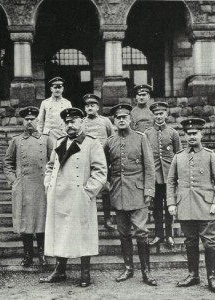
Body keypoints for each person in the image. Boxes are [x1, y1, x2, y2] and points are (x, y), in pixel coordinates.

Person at [39, 107, 107, 287]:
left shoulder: (91, 143)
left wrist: (87, 192)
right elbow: (50, 166)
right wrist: (48, 184)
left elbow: (100, 172)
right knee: (61, 232)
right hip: (59, 196)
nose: (70, 125)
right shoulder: (59, 142)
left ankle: (85, 274)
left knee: (83, 234)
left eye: (73, 121)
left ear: (82, 122)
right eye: (67, 122)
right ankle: (59, 271)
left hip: (79, 197)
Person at [167, 118, 215, 293]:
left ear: (201, 134)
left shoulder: (209, 155)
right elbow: (170, 182)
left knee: (209, 244)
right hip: (185, 207)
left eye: (195, 133)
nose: (191, 136)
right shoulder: (178, 157)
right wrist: (171, 202)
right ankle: (193, 275)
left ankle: (212, 278)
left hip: (207, 207)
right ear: (184, 135)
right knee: (190, 242)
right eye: (188, 134)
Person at [104, 103, 157, 286]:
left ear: (130, 120)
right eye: (117, 118)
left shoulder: (141, 138)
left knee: (141, 232)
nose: (121, 120)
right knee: (124, 232)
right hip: (118, 193)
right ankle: (128, 268)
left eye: (124, 117)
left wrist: (149, 190)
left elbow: (149, 167)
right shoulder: (109, 141)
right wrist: (106, 183)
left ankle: (146, 272)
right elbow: (103, 167)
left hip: (138, 192)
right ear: (114, 120)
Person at [3, 106, 52, 267]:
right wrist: (13, 180)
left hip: (41, 187)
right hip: (23, 188)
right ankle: (27, 254)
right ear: (23, 121)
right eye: (27, 119)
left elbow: (54, 162)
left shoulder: (46, 139)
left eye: (33, 119)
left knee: (41, 221)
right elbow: (7, 163)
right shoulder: (16, 140)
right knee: (25, 222)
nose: (30, 122)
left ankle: (42, 254)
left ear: (38, 121)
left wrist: (50, 181)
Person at [145, 101, 182, 247]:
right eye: (156, 114)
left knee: (169, 207)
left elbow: (179, 155)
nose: (159, 116)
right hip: (154, 177)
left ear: (166, 114)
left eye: (161, 114)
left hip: (169, 177)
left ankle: (169, 235)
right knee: (156, 208)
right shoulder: (147, 133)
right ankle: (158, 235)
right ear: (153, 116)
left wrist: (178, 176)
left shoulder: (173, 133)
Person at [82, 93, 115, 230]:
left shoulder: (105, 121)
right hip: (87, 159)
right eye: (87, 105)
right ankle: (88, 221)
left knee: (106, 190)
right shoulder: (82, 122)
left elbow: (112, 139)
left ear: (97, 107)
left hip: (103, 159)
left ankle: (107, 220)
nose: (90, 108)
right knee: (88, 189)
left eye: (93, 105)